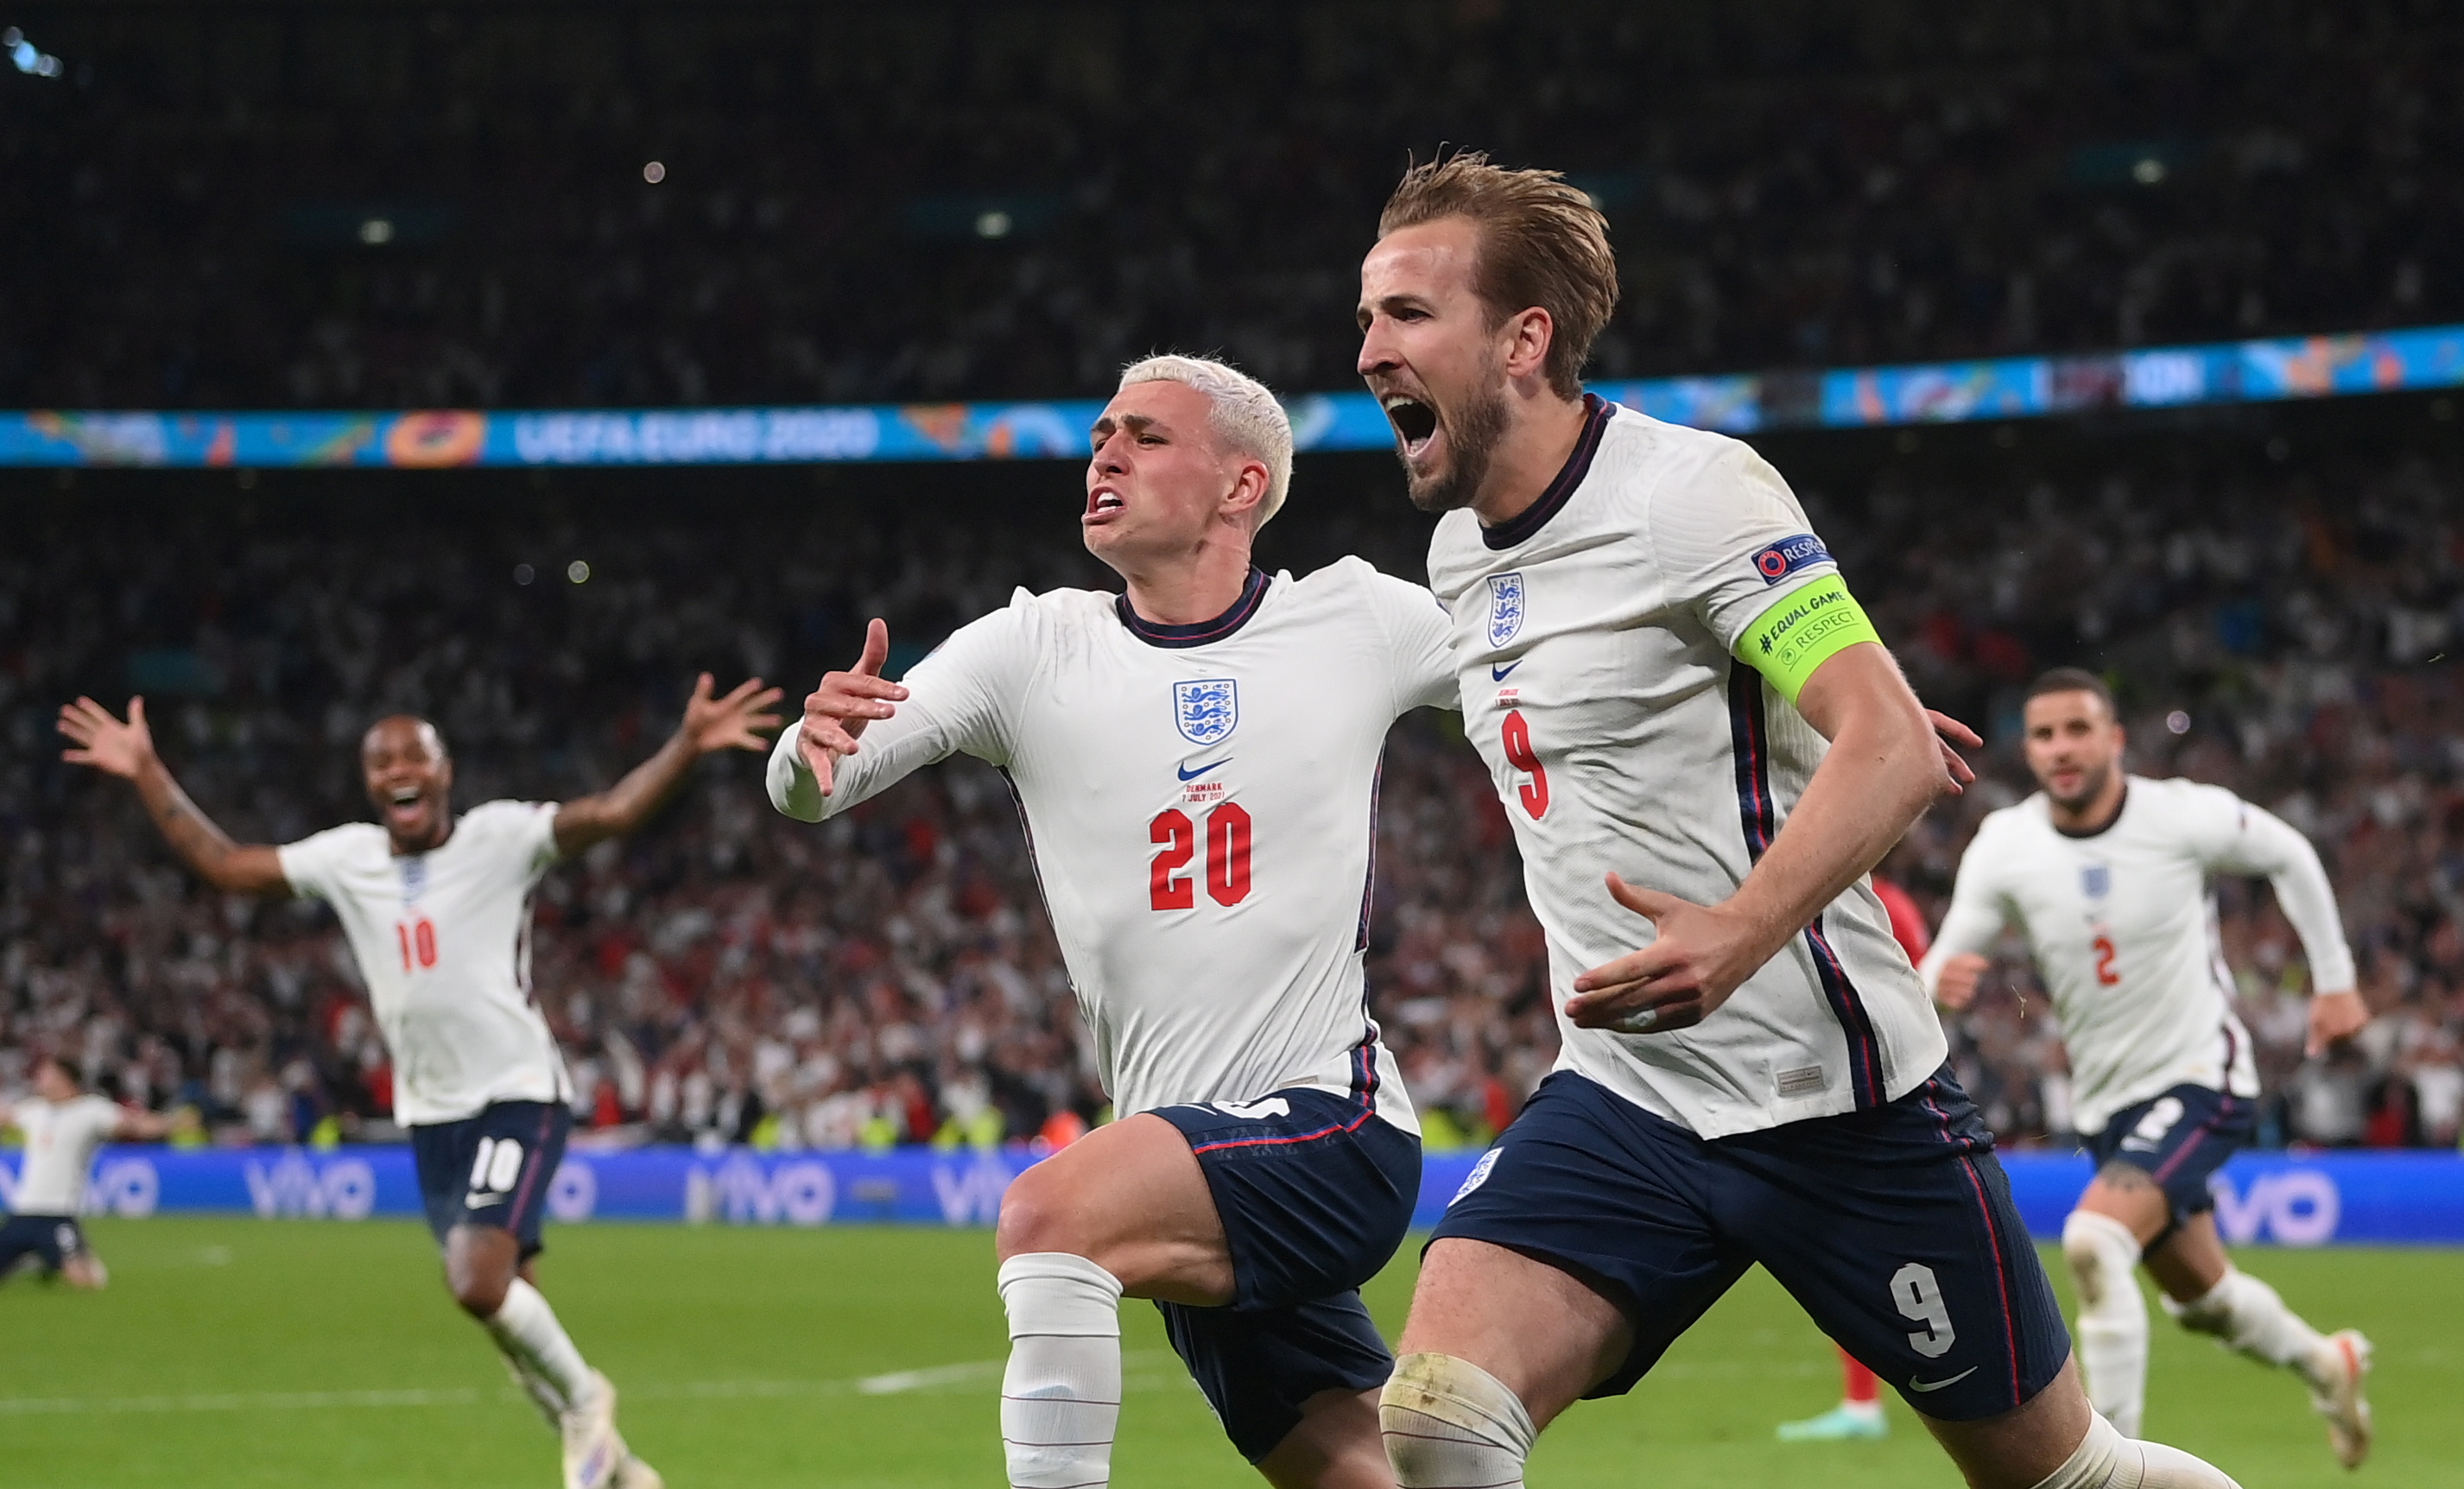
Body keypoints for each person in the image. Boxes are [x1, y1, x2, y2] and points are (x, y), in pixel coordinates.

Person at [1352, 152, 2245, 1489]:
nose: (1369, 349)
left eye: (1407, 315)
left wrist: (1740, 929)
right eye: (1366, 315)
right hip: (1629, 1099)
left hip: (1837, 1105)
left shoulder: (1688, 493)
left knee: (2065, 1477)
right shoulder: (1459, 554)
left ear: (1524, 338)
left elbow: (1887, 748)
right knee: (1434, 1417)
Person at [770, 354, 1454, 1489]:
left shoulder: (1357, 619)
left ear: (1241, 486)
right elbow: (814, 787)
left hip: (1328, 1130)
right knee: (1371, 1476)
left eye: (1144, 435)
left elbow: (1536, 678)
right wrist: (810, 747)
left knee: (1049, 1213)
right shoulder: (1029, 647)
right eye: (1099, 434)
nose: (1105, 454)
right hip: (1184, 1156)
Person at [55, 674, 782, 1489]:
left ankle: (588, 1406)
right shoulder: (347, 858)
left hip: (517, 1092)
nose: (397, 768)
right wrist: (147, 769)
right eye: (380, 760)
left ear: (445, 771)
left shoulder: (501, 837)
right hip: (431, 1115)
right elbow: (227, 865)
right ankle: (621, 1473)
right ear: (370, 783)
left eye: (414, 754)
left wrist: (685, 743)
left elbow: (610, 812)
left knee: (475, 1283)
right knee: (514, 1321)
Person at [1920, 668, 2374, 1467]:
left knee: (2095, 1241)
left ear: (2114, 740)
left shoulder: (2179, 815)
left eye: (2077, 730)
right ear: (2027, 749)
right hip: (2105, 1105)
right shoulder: (2006, 845)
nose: (2060, 749)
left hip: (2200, 1076)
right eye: (2044, 735)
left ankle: (2107, 1473)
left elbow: (2289, 853)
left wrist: (2334, 983)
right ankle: (2324, 1363)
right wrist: (1940, 983)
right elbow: (1945, 969)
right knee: (2203, 1300)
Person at [1773, 867, 1935, 1444]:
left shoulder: (1883, 905)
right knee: (1838, 1257)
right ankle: (1862, 1403)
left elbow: (1921, 994)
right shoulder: (1805, 895)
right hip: (1828, 1102)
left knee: (1863, 1258)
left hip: (1876, 1104)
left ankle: (1883, 1399)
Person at [0, 1051, 189, 1288]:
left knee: (88, 1283)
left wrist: (171, 1123)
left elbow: (134, 1125)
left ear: (63, 1077)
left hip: (58, 1214)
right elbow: (5, 1117)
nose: (38, 1079)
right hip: (23, 1213)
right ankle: (33, 1258)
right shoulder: (34, 1110)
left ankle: (44, 1257)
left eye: (45, 1074)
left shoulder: (91, 1110)